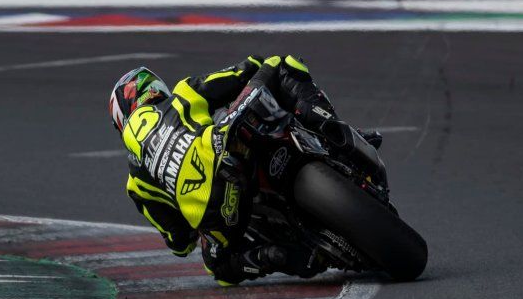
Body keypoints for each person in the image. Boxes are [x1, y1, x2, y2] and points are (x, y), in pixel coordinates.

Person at [109, 55, 381, 286]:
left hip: (221, 213)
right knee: (280, 64)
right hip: (226, 149)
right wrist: (252, 73)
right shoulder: (183, 93)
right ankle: (334, 130)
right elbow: (246, 69)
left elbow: (180, 243)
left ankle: (276, 256)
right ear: (155, 88)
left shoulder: (136, 184)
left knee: (219, 268)